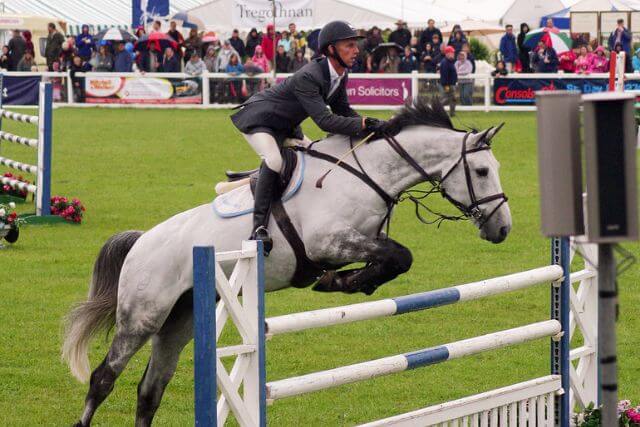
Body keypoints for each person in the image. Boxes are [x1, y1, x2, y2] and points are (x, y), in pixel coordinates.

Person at [229, 20, 391, 252]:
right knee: (274, 161)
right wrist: (364, 123)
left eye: (356, 45)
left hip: (287, 126)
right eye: (349, 45)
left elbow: (344, 112)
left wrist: (374, 127)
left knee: (316, 152)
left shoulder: (339, 75)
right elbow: (325, 121)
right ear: (331, 49)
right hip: (260, 120)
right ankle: (258, 229)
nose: (356, 51)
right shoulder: (310, 75)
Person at [439, 45, 457, 116]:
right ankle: (438, 107)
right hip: (448, 84)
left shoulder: (450, 62)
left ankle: (452, 113)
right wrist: (446, 85)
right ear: (447, 53)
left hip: (451, 84)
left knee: (452, 98)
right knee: (448, 99)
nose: (453, 54)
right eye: (452, 52)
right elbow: (444, 75)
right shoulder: (445, 63)